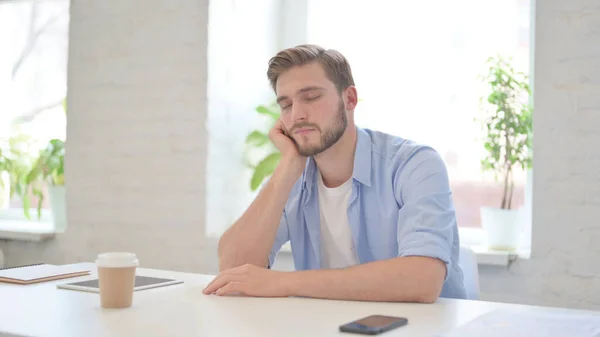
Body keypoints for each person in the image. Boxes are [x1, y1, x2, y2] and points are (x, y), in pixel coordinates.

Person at [203, 44, 467, 302]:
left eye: (311, 97)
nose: (296, 115)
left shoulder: (414, 164)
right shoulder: (293, 176)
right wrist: (287, 167)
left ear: (349, 99)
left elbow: (423, 279)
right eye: (286, 104)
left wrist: (282, 282)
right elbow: (233, 269)